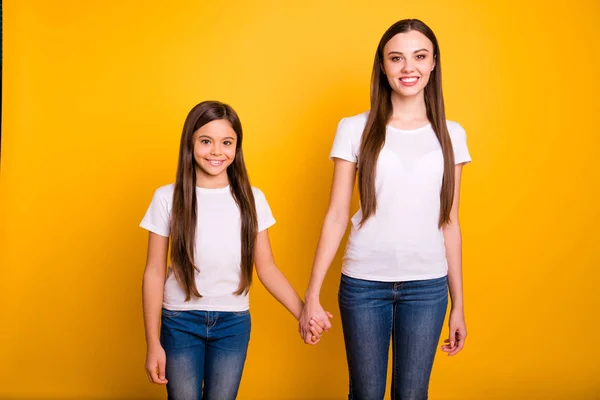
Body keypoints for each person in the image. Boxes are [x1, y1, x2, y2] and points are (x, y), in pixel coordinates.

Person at [299, 19, 472, 399]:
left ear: (433, 64)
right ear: (382, 65)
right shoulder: (353, 128)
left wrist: (458, 304)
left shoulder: (452, 134)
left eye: (419, 56)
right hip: (363, 284)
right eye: (397, 58)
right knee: (365, 393)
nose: (408, 68)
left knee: (412, 394)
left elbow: (450, 223)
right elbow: (336, 215)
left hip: (427, 288)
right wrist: (311, 294)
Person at [140, 100, 330, 399]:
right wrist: (153, 343)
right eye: (206, 141)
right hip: (180, 321)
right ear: (189, 143)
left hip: (233, 323)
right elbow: (153, 271)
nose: (217, 151)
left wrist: (303, 313)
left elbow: (267, 268)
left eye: (226, 142)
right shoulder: (167, 198)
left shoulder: (252, 199)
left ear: (237, 147)